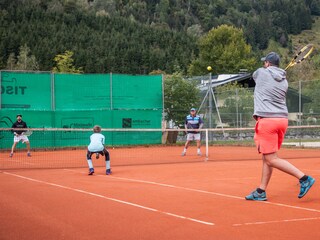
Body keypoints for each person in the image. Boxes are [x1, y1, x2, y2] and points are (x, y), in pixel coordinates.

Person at [245, 52, 315, 201]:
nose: (264, 64)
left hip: (267, 121)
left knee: (271, 159)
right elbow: (273, 76)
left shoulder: (261, 73)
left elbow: (255, 75)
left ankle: (304, 178)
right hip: (281, 120)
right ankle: (260, 191)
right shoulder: (284, 80)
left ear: (268, 64)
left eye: (265, 62)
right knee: (268, 157)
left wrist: (268, 70)